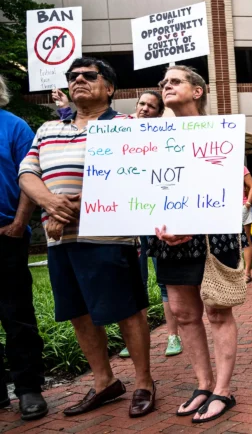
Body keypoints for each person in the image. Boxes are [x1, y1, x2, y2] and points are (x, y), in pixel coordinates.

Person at [19, 57, 155, 417]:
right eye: (73, 76)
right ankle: (104, 382)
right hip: (59, 240)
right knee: (79, 313)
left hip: (109, 237)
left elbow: (133, 176)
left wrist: (67, 212)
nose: (78, 80)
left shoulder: (127, 127)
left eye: (88, 76)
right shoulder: (48, 128)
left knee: (128, 309)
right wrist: (49, 202)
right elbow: (27, 174)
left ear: (109, 88)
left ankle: (144, 382)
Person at [52, 89, 183, 359]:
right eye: (142, 104)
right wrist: (65, 108)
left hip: (157, 220)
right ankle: (134, 339)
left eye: (151, 106)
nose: (145, 108)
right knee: (138, 281)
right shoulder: (121, 129)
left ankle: (172, 336)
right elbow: (88, 139)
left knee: (163, 280)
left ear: (159, 114)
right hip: (129, 224)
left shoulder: (162, 138)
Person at [149, 65, 240, 423]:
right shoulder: (152, 136)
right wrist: (159, 226)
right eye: (163, 83)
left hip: (212, 236)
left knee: (218, 310)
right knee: (184, 314)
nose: (166, 86)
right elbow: (146, 188)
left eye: (174, 81)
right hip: (169, 239)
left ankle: (223, 390)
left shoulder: (222, 131)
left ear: (197, 91)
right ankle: (202, 385)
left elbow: (230, 187)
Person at [0, 75, 47, 421]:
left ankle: (28, 389)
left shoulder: (15, 127)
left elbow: (30, 178)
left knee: (16, 315)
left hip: (6, 235)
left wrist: (19, 225)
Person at [243, 166, 252, 283]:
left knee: (246, 239)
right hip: (223, 208)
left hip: (242, 207)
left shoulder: (241, 168)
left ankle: (247, 272)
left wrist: (247, 204)